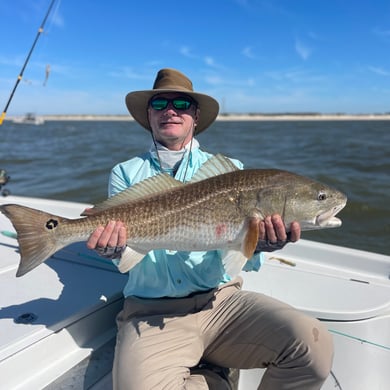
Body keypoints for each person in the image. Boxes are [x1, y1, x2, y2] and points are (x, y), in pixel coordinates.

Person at [86, 68, 333, 389]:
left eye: (182, 103)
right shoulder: (126, 172)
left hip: (221, 303)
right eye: (160, 104)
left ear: (195, 115)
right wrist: (113, 249)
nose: (171, 110)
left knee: (312, 347)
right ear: (149, 114)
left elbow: (238, 249)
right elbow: (125, 252)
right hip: (151, 312)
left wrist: (260, 243)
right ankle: (214, 379)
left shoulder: (231, 171)